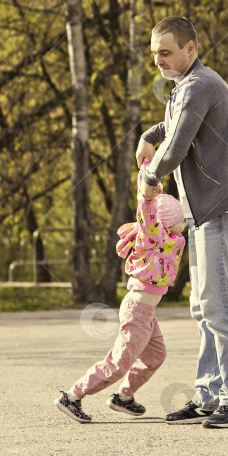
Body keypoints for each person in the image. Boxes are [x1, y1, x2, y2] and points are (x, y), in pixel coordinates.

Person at [136, 16, 228, 429]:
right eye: (154, 53)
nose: (158, 60)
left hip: (223, 211)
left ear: (191, 48)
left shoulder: (199, 84)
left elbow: (177, 146)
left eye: (166, 52)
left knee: (220, 308)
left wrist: (150, 179)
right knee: (203, 308)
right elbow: (174, 126)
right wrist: (149, 134)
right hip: (206, 212)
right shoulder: (187, 86)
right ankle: (209, 396)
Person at [55, 163, 186, 423]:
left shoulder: (171, 238)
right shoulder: (153, 236)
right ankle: (72, 396)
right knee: (118, 364)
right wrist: (146, 193)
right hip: (138, 310)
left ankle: (123, 397)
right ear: (170, 222)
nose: (186, 223)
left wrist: (150, 168)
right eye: (183, 219)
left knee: (156, 355)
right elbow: (148, 214)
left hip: (148, 312)